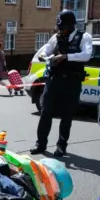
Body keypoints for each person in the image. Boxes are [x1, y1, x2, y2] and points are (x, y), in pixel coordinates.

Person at [31, 10, 93, 157]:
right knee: (46, 113)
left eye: (63, 27)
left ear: (71, 25)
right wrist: (43, 56)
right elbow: (46, 50)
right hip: (54, 80)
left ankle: (61, 146)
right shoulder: (56, 37)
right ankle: (40, 144)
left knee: (67, 115)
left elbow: (86, 55)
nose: (61, 30)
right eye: (59, 27)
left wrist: (65, 56)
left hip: (72, 82)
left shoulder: (84, 36)